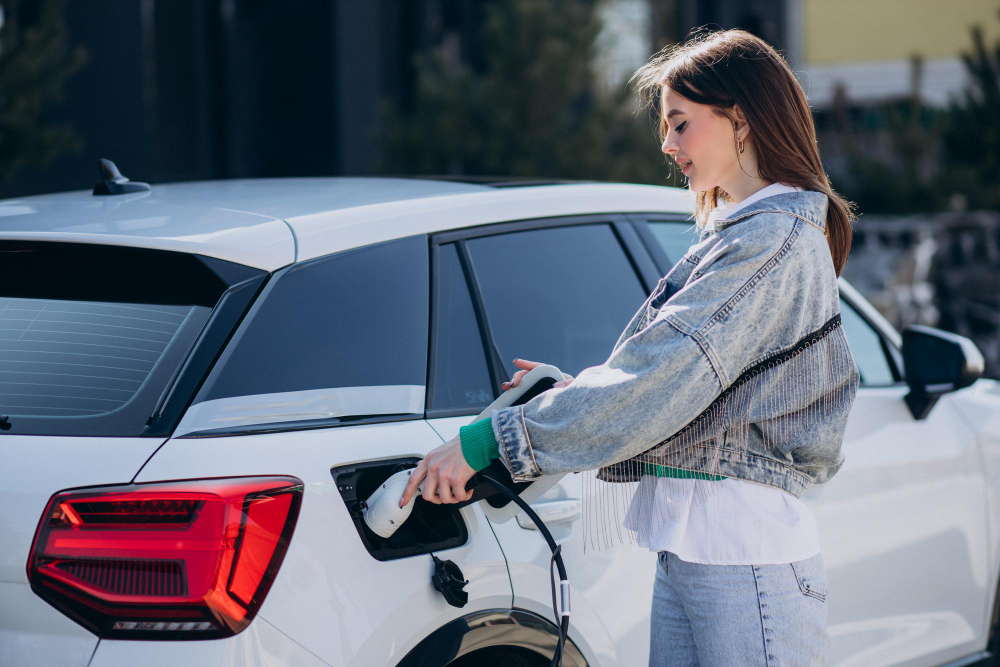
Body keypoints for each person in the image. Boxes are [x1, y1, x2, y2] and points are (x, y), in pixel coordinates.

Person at [399, 28, 860, 666]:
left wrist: (489, 441)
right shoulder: (745, 235)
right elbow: (686, 387)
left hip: (745, 560)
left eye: (680, 123)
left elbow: (657, 380)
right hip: (699, 555)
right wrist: (575, 394)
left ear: (741, 121)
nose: (667, 144)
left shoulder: (771, 240)